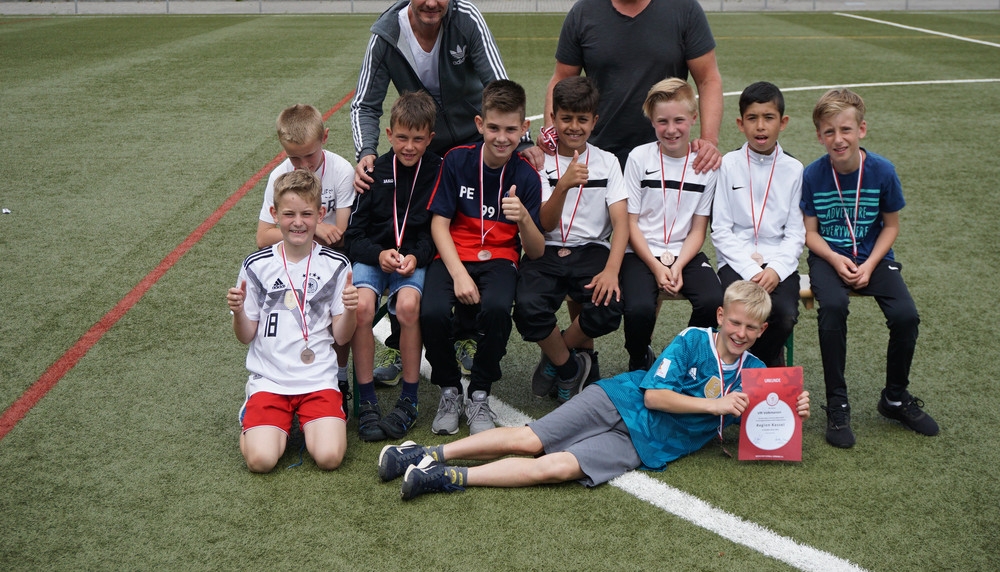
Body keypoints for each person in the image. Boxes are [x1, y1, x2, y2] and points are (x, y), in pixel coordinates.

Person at [376, 281, 811, 500]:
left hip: (647, 444)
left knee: (556, 468)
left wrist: (792, 411)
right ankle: (426, 453)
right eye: (735, 322)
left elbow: (759, 428)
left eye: (751, 327)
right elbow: (654, 397)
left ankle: (447, 477)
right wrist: (715, 405)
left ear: (762, 331)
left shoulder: (758, 373)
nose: (740, 332)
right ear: (720, 316)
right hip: (621, 400)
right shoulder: (693, 339)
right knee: (531, 440)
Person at [349, 0, 513, 384]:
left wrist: (521, 142)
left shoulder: (467, 20)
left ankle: (465, 334)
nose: (432, 2)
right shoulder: (386, 34)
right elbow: (365, 103)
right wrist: (366, 151)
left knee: (470, 234)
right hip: (420, 149)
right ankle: (400, 339)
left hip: (471, 144)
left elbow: (497, 84)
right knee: (408, 232)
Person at [800, 88, 938, 448]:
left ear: (861, 129)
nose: (838, 138)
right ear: (819, 136)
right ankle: (837, 404)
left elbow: (890, 226)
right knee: (833, 307)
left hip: (874, 258)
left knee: (906, 316)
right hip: (829, 257)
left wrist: (871, 263)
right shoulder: (813, 175)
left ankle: (895, 398)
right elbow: (810, 234)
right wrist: (834, 258)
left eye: (845, 129)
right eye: (829, 131)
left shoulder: (883, 171)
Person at [541, 0, 723, 173]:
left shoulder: (684, 9)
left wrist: (709, 140)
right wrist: (551, 133)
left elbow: (708, 79)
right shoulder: (583, 13)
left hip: (666, 155)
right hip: (599, 158)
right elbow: (561, 79)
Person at [421, 79, 545, 436]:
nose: (502, 138)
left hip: (500, 257)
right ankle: (449, 389)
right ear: (480, 124)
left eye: (511, 129)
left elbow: (536, 250)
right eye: (493, 128)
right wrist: (459, 274)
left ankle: (479, 393)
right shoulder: (457, 160)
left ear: (524, 128)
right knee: (432, 311)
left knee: (497, 308)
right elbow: (439, 225)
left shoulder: (527, 176)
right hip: (454, 254)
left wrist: (523, 218)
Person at [227, 169, 358, 473]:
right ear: (274, 215)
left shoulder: (336, 264)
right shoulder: (256, 265)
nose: (298, 222)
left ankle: (305, 422)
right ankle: (254, 413)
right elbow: (245, 336)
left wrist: (351, 310)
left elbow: (341, 337)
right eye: (289, 214)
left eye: (306, 214)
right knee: (261, 461)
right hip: (270, 381)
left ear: (320, 215)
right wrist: (239, 312)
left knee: (329, 458)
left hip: (318, 379)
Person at [513, 76, 627, 403]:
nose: (574, 127)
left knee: (609, 306)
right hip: (545, 248)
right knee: (527, 307)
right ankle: (569, 367)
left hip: (591, 250)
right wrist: (562, 184)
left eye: (582, 119)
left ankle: (556, 354)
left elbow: (621, 223)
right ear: (553, 118)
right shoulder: (538, 162)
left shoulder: (607, 162)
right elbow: (545, 223)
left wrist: (612, 270)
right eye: (566, 118)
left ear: (595, 120)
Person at [344, 92, 442, 442]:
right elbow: (353, 235)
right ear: (388, 134)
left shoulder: (438, 171)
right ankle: (368, 399)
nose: (409, 146)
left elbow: (437, 230)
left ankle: (409, 400)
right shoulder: (373, 171)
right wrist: (378, 254)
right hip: (375, 256)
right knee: (362, 307)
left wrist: (417, 256)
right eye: (402, 137)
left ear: (430, 138)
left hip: (412, 258)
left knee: (408, 306)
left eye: (418, 139)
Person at [620, 78, 722, 372]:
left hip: (684, 253)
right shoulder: (639, 157)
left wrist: (677, 266)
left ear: (694, 118)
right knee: (638, 308)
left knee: (713, 300)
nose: (671, 129)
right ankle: (639, 358)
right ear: (652, 122)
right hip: (641, 252)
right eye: (662, 121)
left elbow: (698, 230)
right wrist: (656, 267)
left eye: (679, 120)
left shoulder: (705, 166)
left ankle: (681, 358)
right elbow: (630, 223)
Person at [256, 104, 356, 402]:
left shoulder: (340, 170)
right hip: (294, 257)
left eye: (309, 155)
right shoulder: (279, 175)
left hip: (332, 259)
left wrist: (315, 232)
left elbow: (339, 234)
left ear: (325, 137)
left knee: (337, 304)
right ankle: (278, 373)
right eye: (293, 158)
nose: (302, 165)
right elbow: (263, 236)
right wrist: (317, 229)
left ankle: (339, 375)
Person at [712, 82, 805, 367]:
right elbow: (720, 230)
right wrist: (752, 270)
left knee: (784, 314)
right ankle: (751, 367)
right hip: (736, 262)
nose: (760, 126)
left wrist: (775, 269)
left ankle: (756, 366)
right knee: (736, 313)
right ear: (740, 124)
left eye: (768, 118)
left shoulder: (794, 169)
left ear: (782, 122)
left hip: (779, 263)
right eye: (752, 118)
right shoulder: (727, 164)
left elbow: (795, 233)